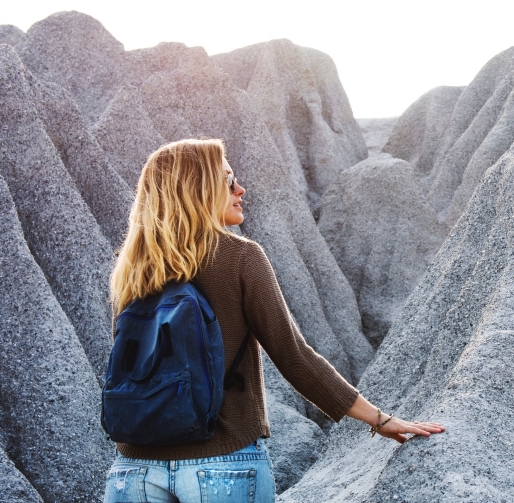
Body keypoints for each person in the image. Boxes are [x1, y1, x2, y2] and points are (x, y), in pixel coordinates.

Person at [104, 139, 445, 503]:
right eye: (227, 180)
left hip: (133, 471)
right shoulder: (240, 257)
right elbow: (293, 356)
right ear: (198, 189)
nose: (240, 189)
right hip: (221, 464)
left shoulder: (135, 269)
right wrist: (380, 419)